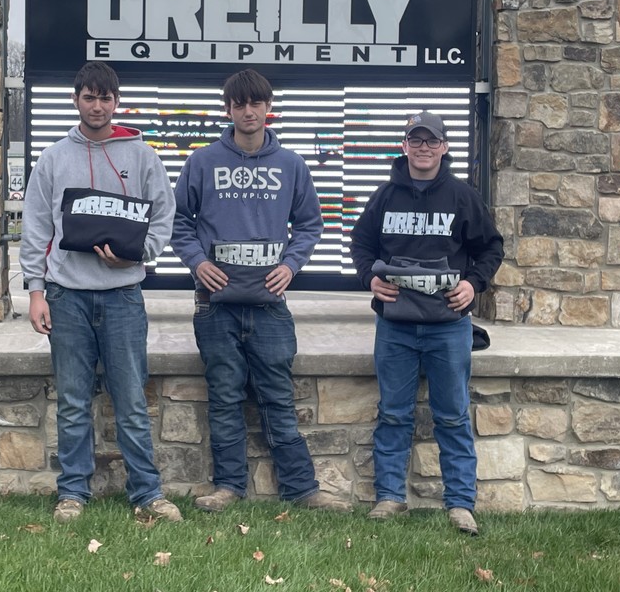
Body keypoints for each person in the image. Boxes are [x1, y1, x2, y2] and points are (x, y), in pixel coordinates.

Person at [171, 68, 348, 513]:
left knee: (278, 399)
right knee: (225, 398)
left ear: (269, 108)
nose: (248, 112)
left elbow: (310, 225)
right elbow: (178, 223)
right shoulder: (202, 162)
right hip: (215, 308)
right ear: (228, 109)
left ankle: (303, 489)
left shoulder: (291, 165)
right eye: (239, 104)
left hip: (270, 308)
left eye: (256, 103)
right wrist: (199, 262)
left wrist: (290, 265)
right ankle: (229, 487)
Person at [20, 60, 182, 524]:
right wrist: (36, 290)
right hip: (66, 295)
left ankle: (147, 493)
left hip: (123, 297)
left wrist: (140, 254)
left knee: (131, 400)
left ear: (116, 101)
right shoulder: (53, 158)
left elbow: (163, 215)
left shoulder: (142, 155)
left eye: (105, 97)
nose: (97, 105)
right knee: (72, 401)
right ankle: (72, 492)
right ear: (76, 100)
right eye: (88, 97)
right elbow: (35, 226)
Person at [350, 111, 504, 536]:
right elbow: (360, 245)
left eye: (430, 141)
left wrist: (474, 285)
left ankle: (460, 505)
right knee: (394, 414)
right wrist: (371, 279)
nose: (422, 147)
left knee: (452, 416)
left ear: (444, 147)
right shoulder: (384, 196)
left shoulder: (462, 196)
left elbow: (491, 248)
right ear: (404, 146)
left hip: (448, 326)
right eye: (414, 140)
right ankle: (389, 498)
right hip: (395, 326)